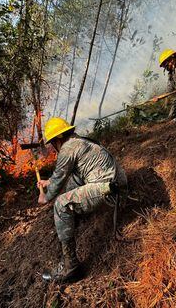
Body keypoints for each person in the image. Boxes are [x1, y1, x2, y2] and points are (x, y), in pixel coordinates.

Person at [37, 117, 127, 283]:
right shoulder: (79, 141)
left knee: (60, 204)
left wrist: (45, 197)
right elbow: (63, 176)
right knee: (72, 183)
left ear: (58, 138)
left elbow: (56, 186)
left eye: (52, 143)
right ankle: (75, 215)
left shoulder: (67, 147)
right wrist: (48, 182)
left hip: (107, 188)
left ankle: (70, 267)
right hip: (117, 182)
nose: (53, 147)